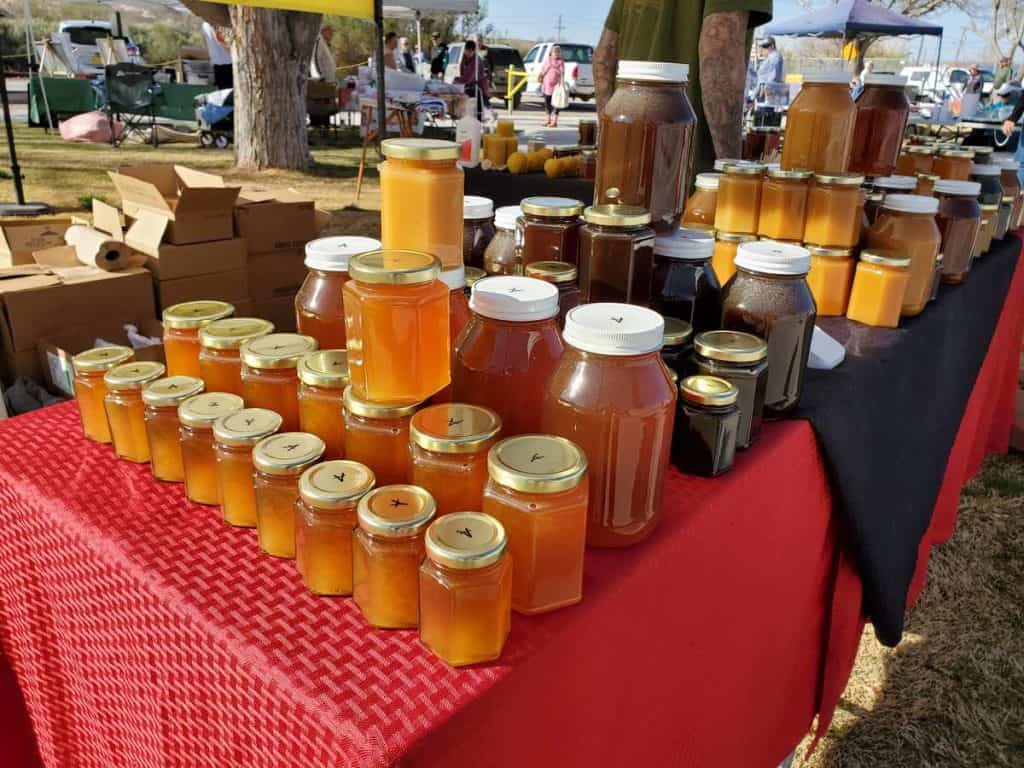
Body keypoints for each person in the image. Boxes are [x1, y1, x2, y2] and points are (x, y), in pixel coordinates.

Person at [594, 0, 772, 174]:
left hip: (622, 169)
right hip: (691, 180)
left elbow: (603, 59)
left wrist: (611, 148)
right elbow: (719, 55)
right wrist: (733, 171)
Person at [455, 39, 489, 118]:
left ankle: (487, 119)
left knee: (482, 110)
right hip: (470, 87)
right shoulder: (464, 57)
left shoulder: (476, 61)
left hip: (479, 88)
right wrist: (459, 79)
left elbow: (469, 77)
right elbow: (462, 69)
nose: (468, 53)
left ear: (473, 51)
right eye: (467, 51)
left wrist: (460, 81)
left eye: (470, 52)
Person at [539, 45, 566, 127]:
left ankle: (555, 122)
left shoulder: (561, 62)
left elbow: (562, 73)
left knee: (556, 104)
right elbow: (543, 70)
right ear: (551, 53)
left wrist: (562, 84)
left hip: (556, 87)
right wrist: (540, 77)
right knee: (547, 103)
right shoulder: (547, 60)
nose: (557, 54)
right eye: (555, 52)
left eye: (558, 52)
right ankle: (548, 120)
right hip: (547, 85)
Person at [202, 21, 232, 90]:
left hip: (217, 64)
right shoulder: (218, 23)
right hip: (228, 63)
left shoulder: (204, 25)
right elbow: (222, 41)